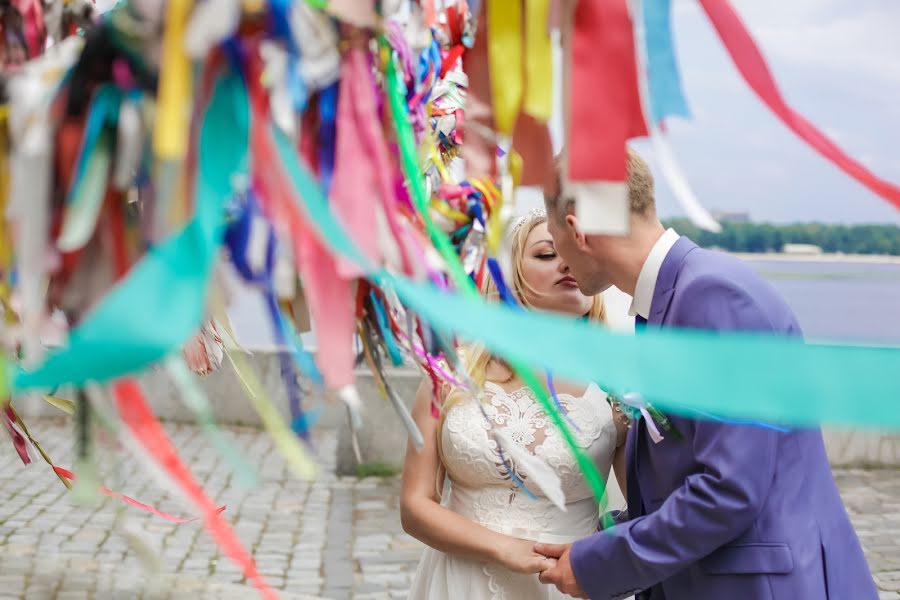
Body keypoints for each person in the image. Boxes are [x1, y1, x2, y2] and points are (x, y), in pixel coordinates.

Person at [535, 148, 877, 599]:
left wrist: (601, 565)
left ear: (576, 231)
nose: (558, 253)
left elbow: (729, 489)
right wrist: (597, 541)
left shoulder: (713, 297)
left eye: (552, 234)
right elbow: (677, 477)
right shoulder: (668, 304)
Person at [402, 209, 630, 599]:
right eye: (546, 253)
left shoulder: (616, 385)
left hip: (564, 586)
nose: (567, 263)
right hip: (461, 583)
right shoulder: (452, 374)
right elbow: (414, 505)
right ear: (507, 274)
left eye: (579, 252)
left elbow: (648, 510)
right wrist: (502, 547)